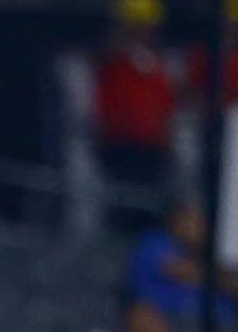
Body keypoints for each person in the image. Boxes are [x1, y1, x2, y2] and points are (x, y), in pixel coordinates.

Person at [94, 0, 176, 190]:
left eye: (149, 28)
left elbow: (165, 105)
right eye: (138, 27)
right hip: (120, 149)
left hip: (154, 151)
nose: (145, 33)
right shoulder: (112, 60)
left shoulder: (158, 65)